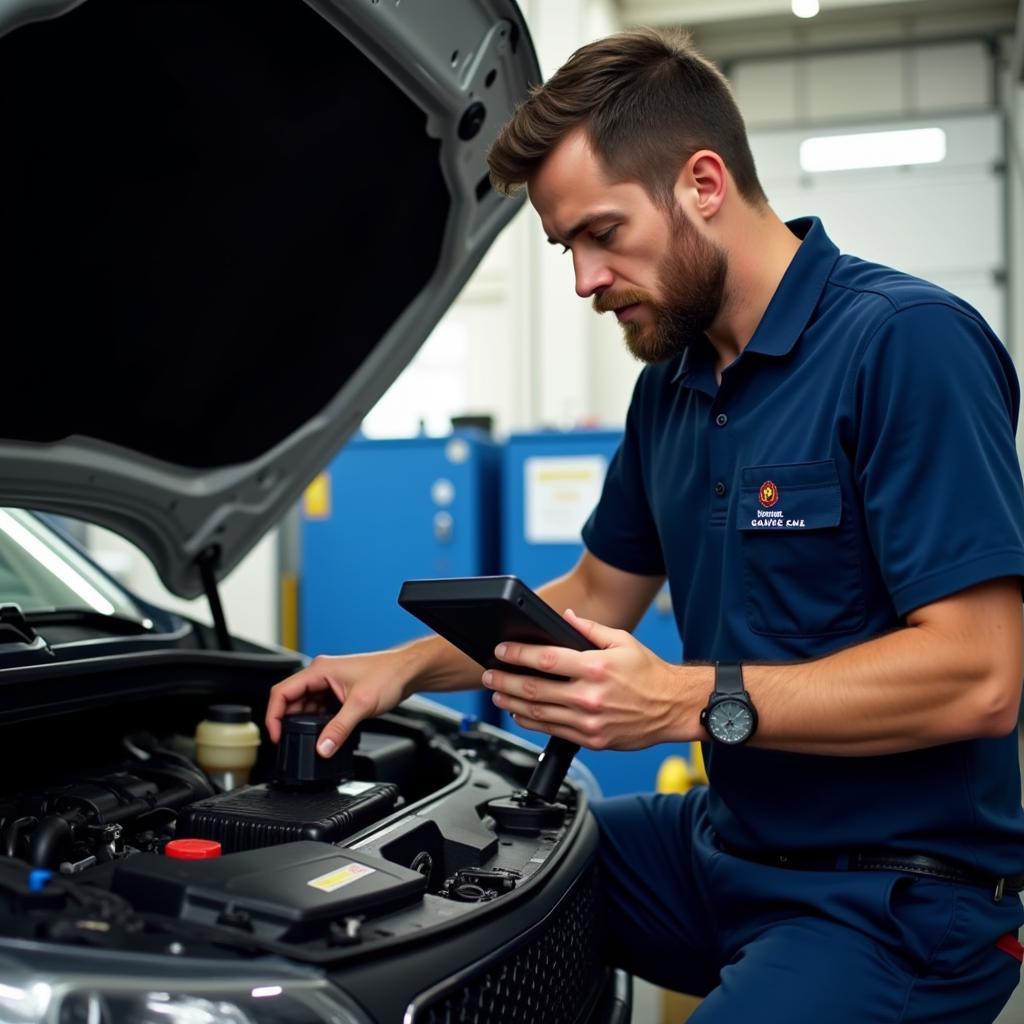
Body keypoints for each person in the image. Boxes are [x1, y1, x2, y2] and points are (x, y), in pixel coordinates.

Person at [267, 27, 1024, 1022]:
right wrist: (396, 668)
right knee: (441, 893)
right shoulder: (671, 385)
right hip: (725, 838)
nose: (584, 280)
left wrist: (680, 702)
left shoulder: (903, 346)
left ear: (703, 182)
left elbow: (980, 676)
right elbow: (593, 595)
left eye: (602, 233)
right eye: (565, 247)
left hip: (893, 892)